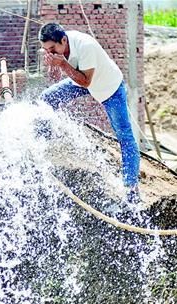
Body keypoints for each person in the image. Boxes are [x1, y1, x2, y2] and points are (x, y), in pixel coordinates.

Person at [38, 22, 141, 203]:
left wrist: (61, 64)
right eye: (47, 50)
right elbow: (56, 77)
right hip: (80, 82)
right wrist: (52, 64)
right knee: (46, 98)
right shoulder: (58, 49)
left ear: (63, 40)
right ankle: (40, 147)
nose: (51, 52)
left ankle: (131, 189)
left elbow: (86, 81)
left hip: (108, 87)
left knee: (125, 137)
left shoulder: (86, 45)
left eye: (53, 49)